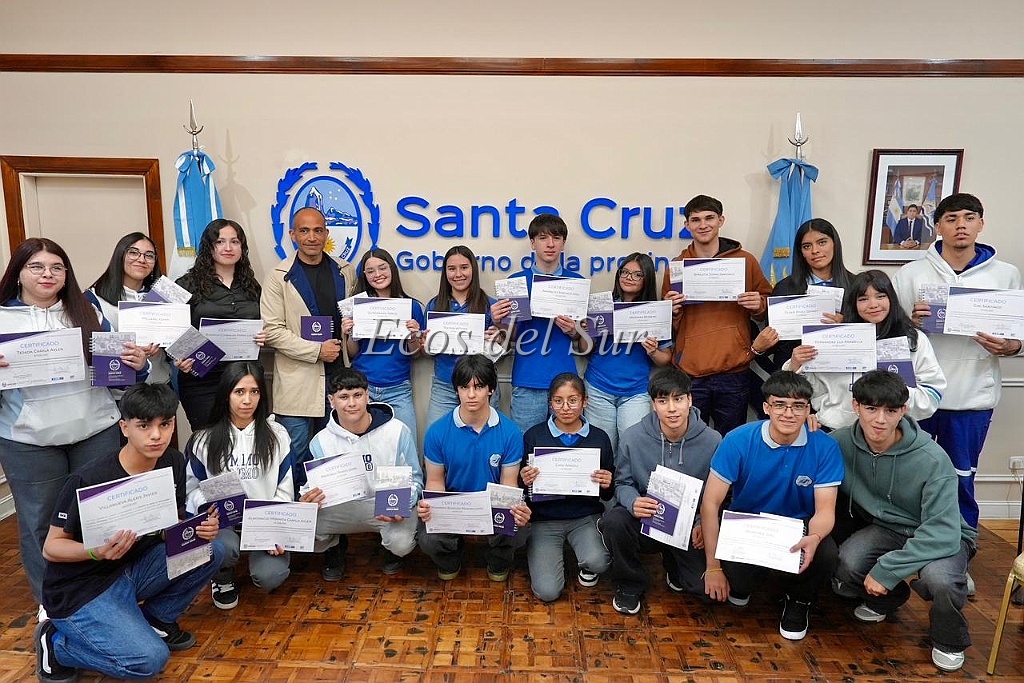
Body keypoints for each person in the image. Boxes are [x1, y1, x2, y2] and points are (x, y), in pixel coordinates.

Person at [0, 238, 149, 620]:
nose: (47, 274)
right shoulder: (1, 319)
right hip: (29, 440)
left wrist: (138, 366)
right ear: (18, 273)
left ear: (67, 274)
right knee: (39, 523)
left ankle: (108, 593)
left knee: (102, 515)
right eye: (36, 267)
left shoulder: (88, 311)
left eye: (57, 267)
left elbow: (119, 378)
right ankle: (52, 604)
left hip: (95, 431)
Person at [35, 383, 224, 681]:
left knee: (210, 547)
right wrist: (95, 551)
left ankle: (157, 620)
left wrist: (197, 528)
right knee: (149, 661)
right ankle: (57, 645)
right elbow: (51, 547)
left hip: (132, 569)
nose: (156, 435)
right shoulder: (89, 478)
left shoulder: (173, 461)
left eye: (165, 424)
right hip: (82, 589)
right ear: (125, 428)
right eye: (144, 426)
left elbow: (165, 526)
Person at [892, 192, 1023, 530]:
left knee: (961, 477)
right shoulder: (910, 274)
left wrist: (1009, 346)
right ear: (938, 226)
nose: (960, 225)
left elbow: (1017, 336)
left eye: (968, 218)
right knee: (910, 475)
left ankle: (961, 545)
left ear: (981, 224)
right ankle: (908, 542)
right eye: (951, 219)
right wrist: (911, 323)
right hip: (919, 395)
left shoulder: (1006, 275)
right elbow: (891, 333)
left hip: (973, 395)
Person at [831, 370, 976, 672]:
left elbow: (943, 531)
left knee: (941, 581)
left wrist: (887, 570)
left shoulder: (933, 459)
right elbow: (804, 453)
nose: (880, 420)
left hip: (942, 535)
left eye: (891, 411)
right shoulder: (840, 442)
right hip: (888, 528)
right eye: (871, 409)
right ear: (856, 406)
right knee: (846, 562)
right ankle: (887, 600)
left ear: (904, 411)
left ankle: (949, 640)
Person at [700, 371, 844, 641]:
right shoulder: (738, 439)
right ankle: (746, 582)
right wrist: (713, 566)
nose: (789, 413)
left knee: (825, 552)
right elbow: (711, 502)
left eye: (798, 406)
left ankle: (799, 600)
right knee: (738, 583)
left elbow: (825, 511)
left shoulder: (826, 447)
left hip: (799, 525)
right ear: (766, 407)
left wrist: (814, 536)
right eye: (780, 404)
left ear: (808, 410)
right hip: (747, 523)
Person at [185, 362, 316, 609]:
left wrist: (276, 531)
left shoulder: (277, 435)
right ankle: (221, 577)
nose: (247, 400)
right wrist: (205, 507)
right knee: (224, 548)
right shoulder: (203, 439)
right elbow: (192, 488)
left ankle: (259, 560)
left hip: (265, 523)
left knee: (270, 576)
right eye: (239, 392)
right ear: (226, 395)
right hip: (223, 524)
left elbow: (285, 487)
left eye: (254, 391)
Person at [597, 366, 721, 615]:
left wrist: (701, 522)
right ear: (653, 405)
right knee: (614, 521)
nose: (672, 408)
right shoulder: (633, 436)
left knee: (705, 592)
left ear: (690, 400)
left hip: (689, 527)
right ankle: (629, 584)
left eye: (678, 399)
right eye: (663, 401)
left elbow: (716, 496)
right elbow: (622, 483)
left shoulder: (713, 441)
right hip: (648, 519)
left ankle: (674, 564)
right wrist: (633, 502)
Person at [661, 194, 773, 435]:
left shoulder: (746, 261)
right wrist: (671, 311)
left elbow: (768, 306)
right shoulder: (677, 267)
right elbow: (667, 325)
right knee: (690, 440)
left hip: (734, 369)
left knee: (731, 440)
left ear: (721, 221)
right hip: (690, 371)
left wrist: (759, 304)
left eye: (709, 218)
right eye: (696, 220)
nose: (703, 225)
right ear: (687, 225)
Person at [261, 207, 355, 489]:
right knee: (296, 455)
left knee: (334, 457)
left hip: (337, 380)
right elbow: (272, 330)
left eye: (317, 230)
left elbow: (351, 319)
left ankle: (330, 517)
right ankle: (295, 515)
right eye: (304, 231)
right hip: (296, 383)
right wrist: (316, 351)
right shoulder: (278, 276)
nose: (311, 237)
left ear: (327, 233)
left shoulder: (344, 271)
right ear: (292, 234)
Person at [785, 269, 946, 430]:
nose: (873, 304)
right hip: (837, 430)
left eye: (880, 296)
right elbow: (817, 391)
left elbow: (931, 395)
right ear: (853, 304)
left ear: (891, 298)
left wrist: (891, 393)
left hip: (891, 433)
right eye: (863, 299)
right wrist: (796, 366)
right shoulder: (835, 338)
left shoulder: (913, 340)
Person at [418, 354, 531, 581]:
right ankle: (450, 557)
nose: (471, 394)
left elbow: (508, 484)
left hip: (492, 505)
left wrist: (515, 509)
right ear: (456, 390)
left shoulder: (510, 432)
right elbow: (435, 481)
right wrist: (430, 508)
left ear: (490, 389)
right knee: (428, 536)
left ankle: (498, 560)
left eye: (478, 387)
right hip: (454, 505)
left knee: (519, 527)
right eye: (464, 387)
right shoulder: (437, 432)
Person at [308, 367, 423, 580]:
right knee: (305, 527)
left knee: (402, 544)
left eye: (357, 395)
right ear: (331, 401)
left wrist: (405, 502)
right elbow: (312, 487)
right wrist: (308, 498)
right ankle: (334, 546)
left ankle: (390, 549)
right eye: (344, 397)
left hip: (385, 507)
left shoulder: (397, 431)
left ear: (367, 396)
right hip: (342, 508)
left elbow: (415, 479)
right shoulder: (320, 441)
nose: (352, 403)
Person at [520, 373, 614, 601]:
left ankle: (587, 565)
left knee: (599, 561)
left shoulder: (599, 438)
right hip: (544, 520)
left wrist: (607, 482)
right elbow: (522, 491)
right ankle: (544, 554)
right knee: (547, 592)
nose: (565, 408)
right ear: (550, 403)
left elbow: (607, 494)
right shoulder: (534, 436)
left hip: (584, 517)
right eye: (558, 401)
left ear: (585, 401)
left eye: (572, 400)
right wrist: (524, 479)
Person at [492, 213, 585, 433]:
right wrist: (499, 322)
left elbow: (584, 339)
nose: (550, 244)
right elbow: (511, 336)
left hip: (566, 380)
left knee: (566, 446)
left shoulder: (576, 283)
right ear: (533, 243)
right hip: (528, 378)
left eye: (556, 238)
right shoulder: (516, 282)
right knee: (526, 445)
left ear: (563, 243)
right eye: (543, 238)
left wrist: (574, 331)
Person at [175, 219, 267, 430]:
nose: (228, 248)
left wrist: (265, 335)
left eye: (234, 242)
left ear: (242, 247)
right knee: (208, 441)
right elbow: (165, 328)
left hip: (245, 379)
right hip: (202, 380)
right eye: (220, 242)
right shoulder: (186, 284)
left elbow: (265, 323)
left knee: (245, 441)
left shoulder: (253, 286)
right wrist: (180, 356)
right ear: (209, 247)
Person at [580, 253, 672, 453]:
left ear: (647, 279)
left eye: (637, 274)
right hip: (598, 389)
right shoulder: (602, 306)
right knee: (601, 449)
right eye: (625, 272)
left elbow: (665, 358)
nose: (629, 277)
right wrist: (585, 332)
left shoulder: (654, 312)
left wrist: (653, 351)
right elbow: (584, 349)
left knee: (632, 449)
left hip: (635, 392)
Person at [751, 218, 855, 373]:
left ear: (835, 244)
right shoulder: (785, 288)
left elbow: (871, 335)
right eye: (807, 246)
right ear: (801, 252)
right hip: (794, 375)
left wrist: (846, 325)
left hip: (842, 373)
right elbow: (773, 341)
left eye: (822, 242)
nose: (815, 251)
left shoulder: (856, 285)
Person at [342, 248, 425, 437]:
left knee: (406, 443)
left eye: (382, 268)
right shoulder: (358, 306)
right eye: (370, 271)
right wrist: (351, 334)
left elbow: (416, 354)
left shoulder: (411, 306)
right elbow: (353, 353)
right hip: (363, 387)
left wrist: (413, 336)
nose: (377, 274)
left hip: (399, 389)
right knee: (362, 445)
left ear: (392, 269)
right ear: (364, 275)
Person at [423, 245, 498, 429]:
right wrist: (425, 345)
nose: (458, 274)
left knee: (485, 437)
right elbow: (426, 352)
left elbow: (501, 347)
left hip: (480, 385)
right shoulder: (434, 305)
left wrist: (497, 338)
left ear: (473, 269)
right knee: (436, 434)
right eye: (452, 269)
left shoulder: (490, 305)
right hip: (444, 385)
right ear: (445, 273)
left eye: (464, 267)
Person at [85, 231, 172, 388]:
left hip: (161, 386)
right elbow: (94, 353)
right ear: (120, 256)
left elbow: (177, 342)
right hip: (120, 391)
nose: (142, 259)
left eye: (149, 255)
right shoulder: (93, 298)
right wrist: (134, 351)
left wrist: (166, 347)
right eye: (133, 252)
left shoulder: (164, 295)